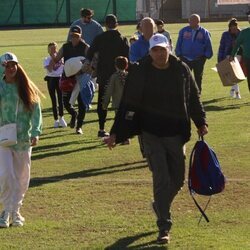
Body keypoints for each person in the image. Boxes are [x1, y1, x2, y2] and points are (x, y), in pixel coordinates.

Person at [104, 34, 208, 244]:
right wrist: (116, 133)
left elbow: (193, 97)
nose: (160, 54)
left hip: (176, 133)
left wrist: (200, 121)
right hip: (151, 134)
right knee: (161, 179)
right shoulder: (141, 72)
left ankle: (160, 206)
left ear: (169, 49)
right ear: (150, 52)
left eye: (163, 49)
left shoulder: (181, 70)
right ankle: (164, 226)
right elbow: (128, 104)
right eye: (155, 50)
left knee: (177, 180)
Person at [0, 52, 42, 228]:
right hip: (2, 138)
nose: (10, 69)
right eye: (6, 66)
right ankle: (5, 212)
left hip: (23, 138)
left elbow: (36, 111)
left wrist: (36, 132)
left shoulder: (26, 86)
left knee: (22, 177)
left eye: (13, 65)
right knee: (5, 175)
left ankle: (15, 211)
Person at [86, 14, 129, 138]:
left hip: (104, 74)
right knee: (120, 102)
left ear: (105, 25)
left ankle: (101, 128)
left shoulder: (100, 37)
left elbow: (90, 52)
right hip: (119, 74)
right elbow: (128, 56)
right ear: (117, 24)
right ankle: (120, 130)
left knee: (102, 102)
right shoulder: (122, 38)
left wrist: (90, 63)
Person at [52, 25, 89, 135]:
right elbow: (56, 60)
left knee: (82, 103)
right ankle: (73, 114)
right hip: (67, 78)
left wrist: (84, 68)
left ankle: (79, 127)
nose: (74, 38)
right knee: (66, 102)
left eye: (76, 36)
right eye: (72, 36)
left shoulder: (85, 47)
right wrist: (52, 52)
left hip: (81, 78)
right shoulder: (65, 46)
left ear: (80, 36)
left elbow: (92, 59)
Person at [175, 14, 213, 93]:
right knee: (184, 77)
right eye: (190, 20)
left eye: (192, 20)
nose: (190, 22)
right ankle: (185, 93)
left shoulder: (204, 32)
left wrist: (205, 56)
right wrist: (179, 54)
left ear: (198, 21)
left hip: (198, 59)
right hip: (185, 58)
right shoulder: (183, 30)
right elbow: (179, 42)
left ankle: (197, 93)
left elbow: (208, 45)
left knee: (198, 77)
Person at [43, 42, 67, 127]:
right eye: (51, 49)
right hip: (51, 79)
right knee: (53, 100)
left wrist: (58, 58)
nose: (53, 50)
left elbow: (64, 67)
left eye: (54, 48)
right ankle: (56, 119)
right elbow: (49, 69)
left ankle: (61, 117)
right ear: (48, 50)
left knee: (61, 99)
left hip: (60, 79)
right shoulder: (46, 59)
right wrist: (53, 59)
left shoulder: (62, 58)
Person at [218, 18, 242, 99]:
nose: (233, 30)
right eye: (231, 28)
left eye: (234, 28)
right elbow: (222, 47)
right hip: (228, 56)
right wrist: (220, 59)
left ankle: (232, 89)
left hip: (239, 56)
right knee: (233, 74)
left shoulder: (241, 33)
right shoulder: (225, 34)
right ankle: (237, 93)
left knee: (237, 75)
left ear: (237, 27)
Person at [230, 14, 250, 92]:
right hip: (248, 59)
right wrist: (232, 55)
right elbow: (236, 44)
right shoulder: (244, 32)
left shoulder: (244, 32)